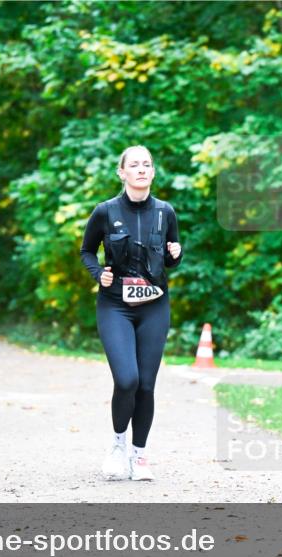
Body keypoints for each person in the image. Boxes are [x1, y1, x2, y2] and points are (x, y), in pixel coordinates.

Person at [80, 145, 183, 481]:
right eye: (134, 165)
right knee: (127, 379)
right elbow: (86, 252)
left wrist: (175, 254)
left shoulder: (165, 212)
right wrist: (99, 274)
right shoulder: (105, 211)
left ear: (153, 173)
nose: (141, 169)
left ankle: (139, 456)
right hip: (115, 305)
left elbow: (168, 259)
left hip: (154, 305)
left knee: (147, 386)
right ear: (121, 172)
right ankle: (117, 446)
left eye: (147, 164)